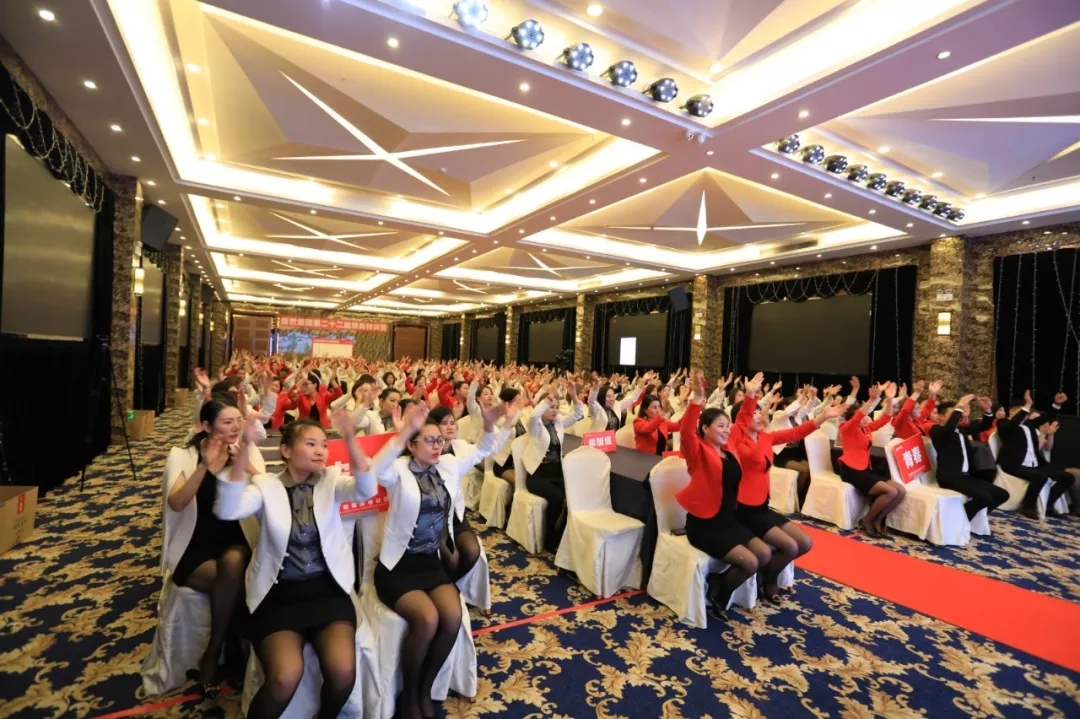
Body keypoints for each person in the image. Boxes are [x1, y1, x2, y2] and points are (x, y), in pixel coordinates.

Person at [214, 412, 380, 719]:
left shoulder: (331, 481)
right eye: (311, 444)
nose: (320, 451)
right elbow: (228, 508)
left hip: (328, 591)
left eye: (324, 445)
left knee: (343, 674)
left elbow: (366, 489)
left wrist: (349, 438)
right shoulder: (266, 485)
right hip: (279, 595)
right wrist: (245, 448)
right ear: (286, 450)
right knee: (283, 679)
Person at [370, 402, 503, 719]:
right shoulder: (399, 472)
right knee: (427, 619)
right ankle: (409, 696)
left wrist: (488, 424)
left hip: (431, 564)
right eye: (429, 440)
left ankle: (425, 690)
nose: (436, 446)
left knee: (452, 617)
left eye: (439, 440)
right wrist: (405, 430)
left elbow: (484, 450)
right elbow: (376, 468)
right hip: (398, 567)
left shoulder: (448, 465)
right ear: (412, 445)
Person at [161, 399, 265, 693]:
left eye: (238, 420)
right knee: (232, 580)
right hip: (194, 548)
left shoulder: (243, 450)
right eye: (227, 422)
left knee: (233, 563)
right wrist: (205, 466)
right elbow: (177, 503)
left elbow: (267, 489)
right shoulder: (182, 455)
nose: (236, 427)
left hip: (235, 541)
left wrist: (243, 463)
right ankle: (231, 652)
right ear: (207, 426)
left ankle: (212, 653)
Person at [729, 373, 842, 602]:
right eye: (754, 412)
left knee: (805, 543)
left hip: (762, 506)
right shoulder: (735, 440)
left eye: (760, 412)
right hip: (743, 510)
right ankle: (769, 581)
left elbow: (796, 432)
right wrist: (750, 395)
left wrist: (822, 417)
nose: (759, 415)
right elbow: (742, 419)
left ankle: (767, 574)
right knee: (790, 546)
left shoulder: (765, 438)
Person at [675, 371, 771, 619]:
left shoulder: (729, 447)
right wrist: (697, 399)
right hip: (705, 525)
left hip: (728, 520)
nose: (727, 430)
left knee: (764, 553)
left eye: (727, 426)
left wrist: (750, 394)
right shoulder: (697, 451)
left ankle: (717, 582)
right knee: (750, 562)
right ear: (705, 429)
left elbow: (743, 420)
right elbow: (686, 431)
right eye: (720, 426)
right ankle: (718, 594)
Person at [522, 380, 585, 553]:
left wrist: (573, 395)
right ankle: (550, 539)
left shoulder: (558, 423)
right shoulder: (535, 426)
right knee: (558, 499)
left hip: (557, 472)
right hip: (538, 474)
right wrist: (548, 397)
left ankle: (561, 536)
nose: (555, 410)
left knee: (573, 498)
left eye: (556, 407)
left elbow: (578, 414)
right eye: (551, 407)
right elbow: (534, 415)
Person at [835, 382, 904, 536]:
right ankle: (867, 520)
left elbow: (886, 418)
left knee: (900, 491)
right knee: (890, 491)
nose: (866, 418)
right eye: (863, 416)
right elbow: (857, 417)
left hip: (866, 469)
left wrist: (890, 399)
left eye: (866, 416)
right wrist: (871, 400)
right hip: (851, 470)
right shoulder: (846, 428)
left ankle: (878, 520)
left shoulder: (866, 428)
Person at [994, 390, 1074, 519]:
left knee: (1067, 477)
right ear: (1012, 411)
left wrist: (1057, 404)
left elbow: (1046, 416)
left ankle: (1049, 505)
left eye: (1027, 411)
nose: (1025, 413)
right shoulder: (1004, 424)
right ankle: (1028, 507)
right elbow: (1014, 423)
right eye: (1022, 411)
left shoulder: (1030, 424)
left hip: (1034, 464)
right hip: (1014, 464)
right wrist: (1027, 405)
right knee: (1040, 477)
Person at [929, 395, 1010, 520]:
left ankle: (968, 516)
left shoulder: (960, 430)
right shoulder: (936, 430)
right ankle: (961, 520)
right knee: (984, 497)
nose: (958, 416)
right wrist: (960, 405)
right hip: (950, 477)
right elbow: (949, 428)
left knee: (1002, 495)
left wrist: (987, 410)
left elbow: (984, 425)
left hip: (966, 476)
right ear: (941, 416)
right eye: (953, 413)